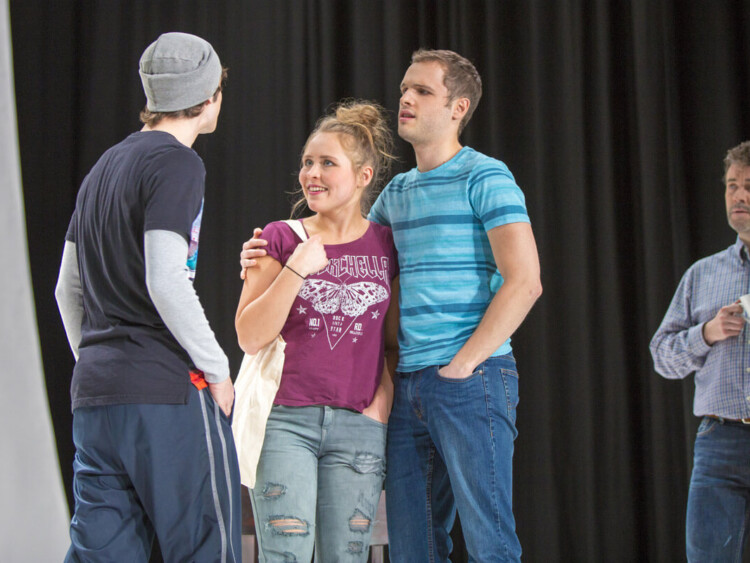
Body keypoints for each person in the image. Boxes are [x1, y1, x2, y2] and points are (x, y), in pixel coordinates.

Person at [241, 49, 542, 563]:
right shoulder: (396, 196)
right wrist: (272, 247)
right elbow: (348, 238)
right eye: (405, 88)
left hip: (470, 380)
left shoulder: (485, 177)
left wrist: (464, 363)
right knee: (412, 546)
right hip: (407, 389)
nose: (406, 98)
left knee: (489, 540)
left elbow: (525, 282)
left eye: (423, 91)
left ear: (458, 107)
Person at [54, 32, 241, 562]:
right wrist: (219, 371)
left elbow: (67, 288)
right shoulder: (178, 163)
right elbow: (166, 278)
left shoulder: (102, 168)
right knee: (206, 548)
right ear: (209, 98)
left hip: (96, 394)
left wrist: (102, 359)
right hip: (164, 391)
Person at [235, 100, 399, 562]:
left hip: (358, 426)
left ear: (364, 176)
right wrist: (296, 270)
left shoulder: (386, 245)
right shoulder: (280, 238)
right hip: (285, 422)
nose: (312, 173)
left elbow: (391, 342)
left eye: (328, 163)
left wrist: (381, 402)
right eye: (308, 162)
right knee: (286, 555)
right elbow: (249, 336)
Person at [650, 141, 750, 562]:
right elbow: (662, 357)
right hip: (720, 441)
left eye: (748, 186)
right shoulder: (703, 275)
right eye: (732, 186)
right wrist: (706, 333)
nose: (739, 196)